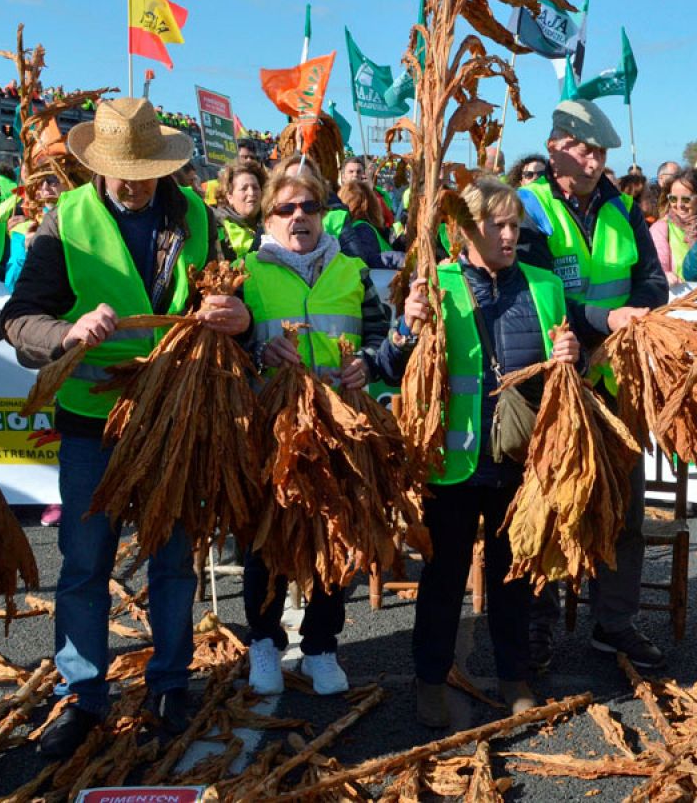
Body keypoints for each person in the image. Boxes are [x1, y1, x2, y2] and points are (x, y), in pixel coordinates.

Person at [0, 98, 242, 761]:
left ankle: (169, 684)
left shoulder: (195, 215)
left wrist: (229, 313)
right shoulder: (66, 219)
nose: (132, 182)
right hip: (92, 419)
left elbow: (221, 297)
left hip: (173, 412)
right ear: (96, 164)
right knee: (84, 563)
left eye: (143, 169)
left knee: (172, 558)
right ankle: (81, 697)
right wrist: (66, 332)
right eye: (119, 169)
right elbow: (21, 318)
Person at [399, 178, 575, 728]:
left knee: (513, 576)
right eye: (496, 224)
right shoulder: (436, 283)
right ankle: (430, 680)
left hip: (518, 462)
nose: (508, 233)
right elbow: (393, 364)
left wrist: (573, 354)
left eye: (514, 224)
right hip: (452, 466)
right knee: (444, 578)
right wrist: (407, 330)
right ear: (465, 230)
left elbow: (562, 377)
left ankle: (514, 677)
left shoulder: (545, 285)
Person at [238, 167, 411, 698]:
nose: (299, 218)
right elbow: (224, 350)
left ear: (323, 213)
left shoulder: (351, 270)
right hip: (273, 428)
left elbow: (381, 339)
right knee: (266, 540)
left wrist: (369, 362)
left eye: (309, 208)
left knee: (339, 535)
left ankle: (320, 647)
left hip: (340, 427)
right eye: (286, 209)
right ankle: (264, 644)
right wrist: (256, 355)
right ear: (267, 217)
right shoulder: (245, 273)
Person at [515, 99, 668, 672]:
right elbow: (536, 291)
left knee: (623, 509)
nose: (595, 158)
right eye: (584, 148)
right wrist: (603, 321)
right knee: (551, 504)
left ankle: (615, 623)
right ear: (556, 147)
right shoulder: (528, 209)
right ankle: (536, 625)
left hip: (616, 379)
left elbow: (653, 282)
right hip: (556, 382)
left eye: (601, 150)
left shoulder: (624, 209)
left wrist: (633, 315)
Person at [650, 168, 697, 285]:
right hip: (677, 297)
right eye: (673, 198)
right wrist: (664, 275)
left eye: (686, 199)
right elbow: (657, 265)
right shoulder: (661, 228)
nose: (679, 205)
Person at [214, 158, 265, 256]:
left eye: (255, 187)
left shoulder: (273, 224)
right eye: (244, 189)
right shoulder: (219, 229)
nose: (251, 193)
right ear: (230, 197)